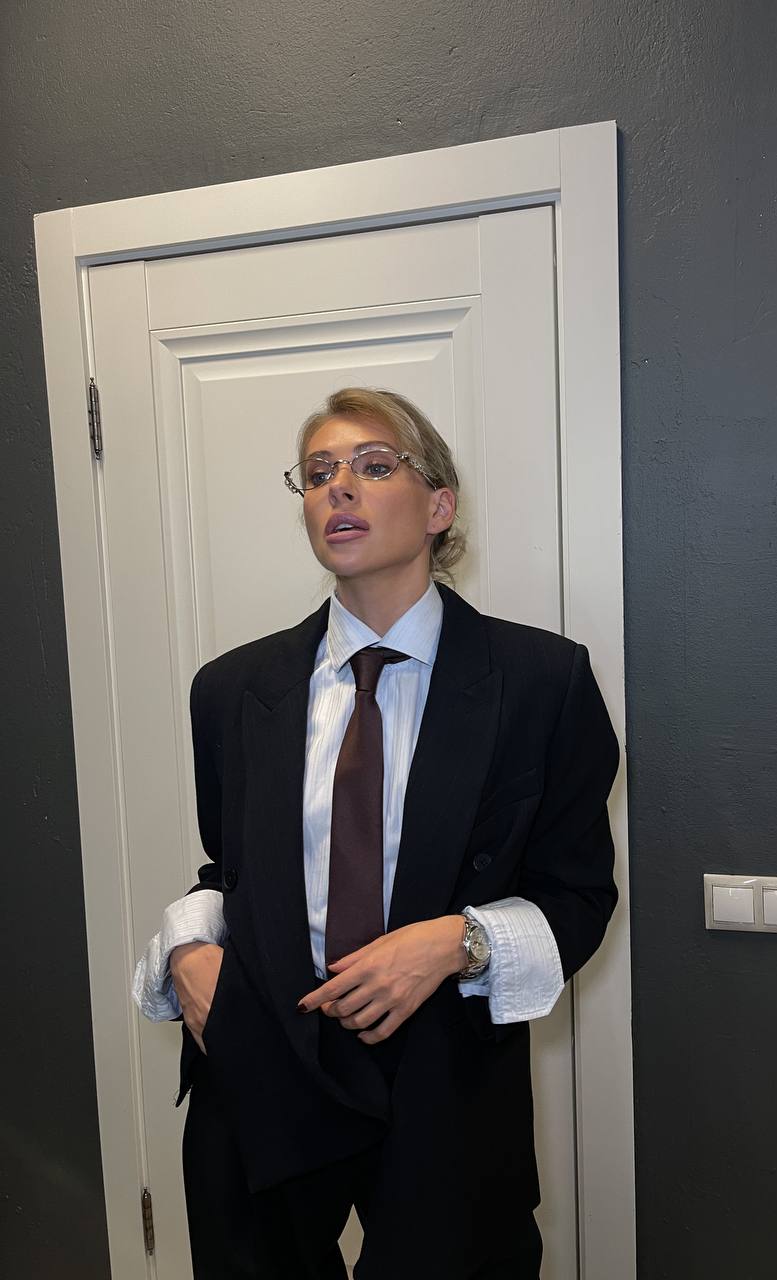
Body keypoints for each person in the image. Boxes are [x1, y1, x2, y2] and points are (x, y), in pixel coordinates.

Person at [133, 387, 620, 1280]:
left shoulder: (540, 681)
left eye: (374, 465)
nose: (339, 487)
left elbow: (579, 895)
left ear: (439, 506)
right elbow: (230, 871)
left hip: (447, 1075)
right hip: (263, 1057)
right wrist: (188, 950)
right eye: (318, 472)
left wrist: (456, 942)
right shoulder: (232, 690)